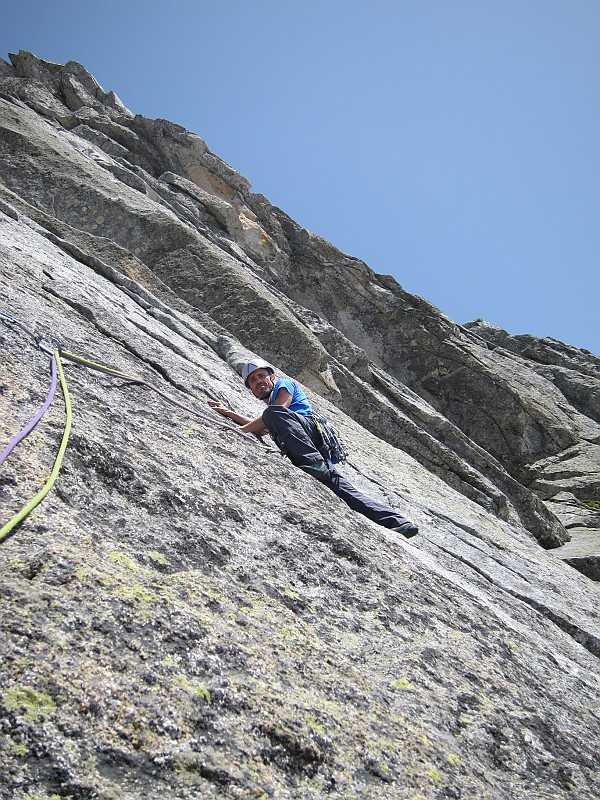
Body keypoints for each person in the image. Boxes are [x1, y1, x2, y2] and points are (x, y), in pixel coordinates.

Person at [208, 358, 419, 538]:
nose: (258, 381)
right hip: (309, 450)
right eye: (253, 380)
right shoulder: (272, 413)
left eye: (261, 376)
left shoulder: (284, 386)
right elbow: (263, 428)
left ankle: (315, 462)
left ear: (272, 377)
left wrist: (241, 430)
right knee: (344, 491)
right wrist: (229, 414)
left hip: (310, 439)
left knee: (273, 414)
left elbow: (275, 413)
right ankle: (398, 522)